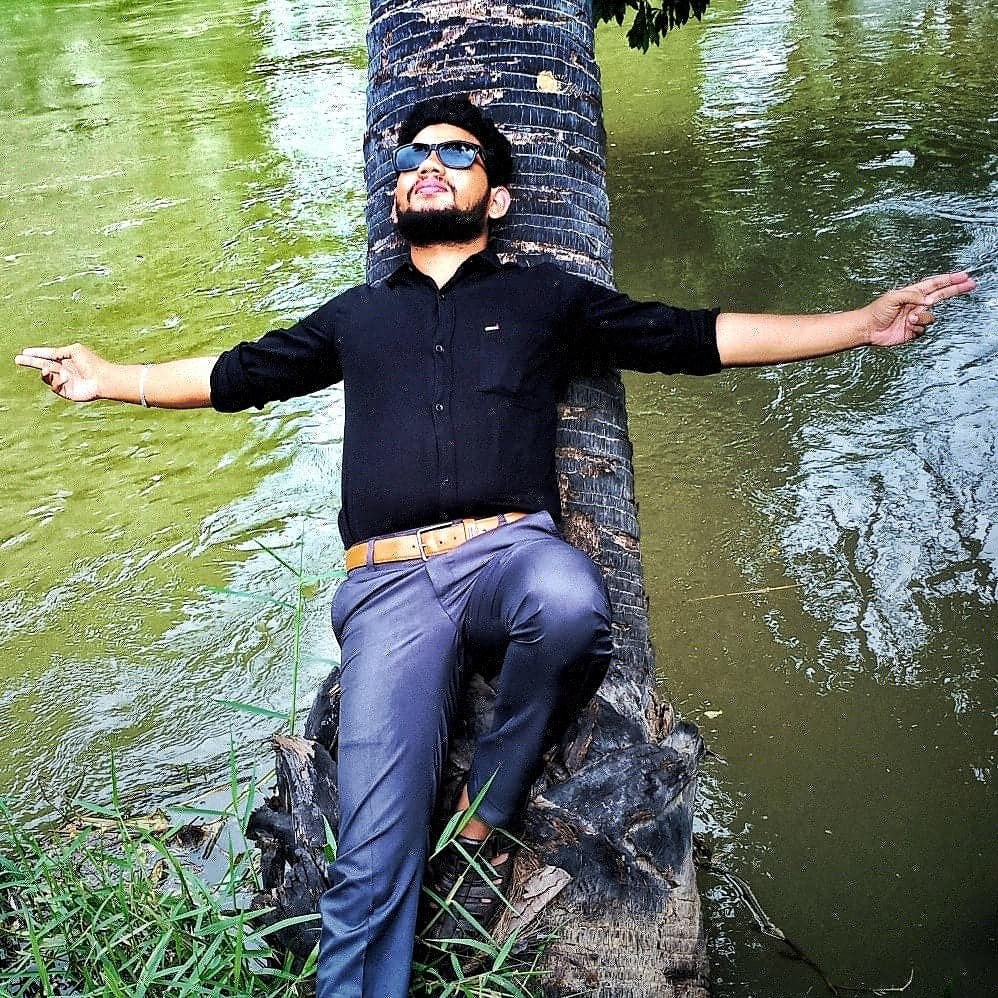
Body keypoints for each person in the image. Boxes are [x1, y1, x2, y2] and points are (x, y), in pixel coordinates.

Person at [15, 95, 976, 998]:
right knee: (373, 852)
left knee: (569, 601)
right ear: (396, 196)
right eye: (412, 157)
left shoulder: (545, 299)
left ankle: (495, 794)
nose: (428, 164)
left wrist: (859, 325)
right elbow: (237, 375)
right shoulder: (357, 317)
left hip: (510, 558)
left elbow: (691, 336)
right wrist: (110, 378)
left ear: (497, 196)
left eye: (456, 153)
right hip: (388, 591)